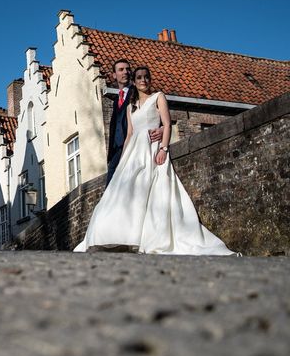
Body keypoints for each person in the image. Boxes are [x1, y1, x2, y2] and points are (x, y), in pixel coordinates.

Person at [74, 66, 235, 255]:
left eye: (146, 77)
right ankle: (115, 236)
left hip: (151, 150)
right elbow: (130, 135)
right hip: (133, 152)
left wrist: (163, 148)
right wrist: (122, 160)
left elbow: (166, 124)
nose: (143, 81)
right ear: (134, 81)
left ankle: (141, 237)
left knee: (148, 189)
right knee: (123, 193)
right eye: (139, 78)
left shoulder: (158, 97)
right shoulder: (130, 107)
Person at [107, 59, 162, 186]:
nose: (125, 72)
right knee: (111, 188)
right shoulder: (116, 100)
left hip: (135, 145)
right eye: (121, 70)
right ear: (114, 75)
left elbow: (151, 110)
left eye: (127, 69)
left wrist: (162, 128)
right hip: (117, 148)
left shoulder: (138, 91)